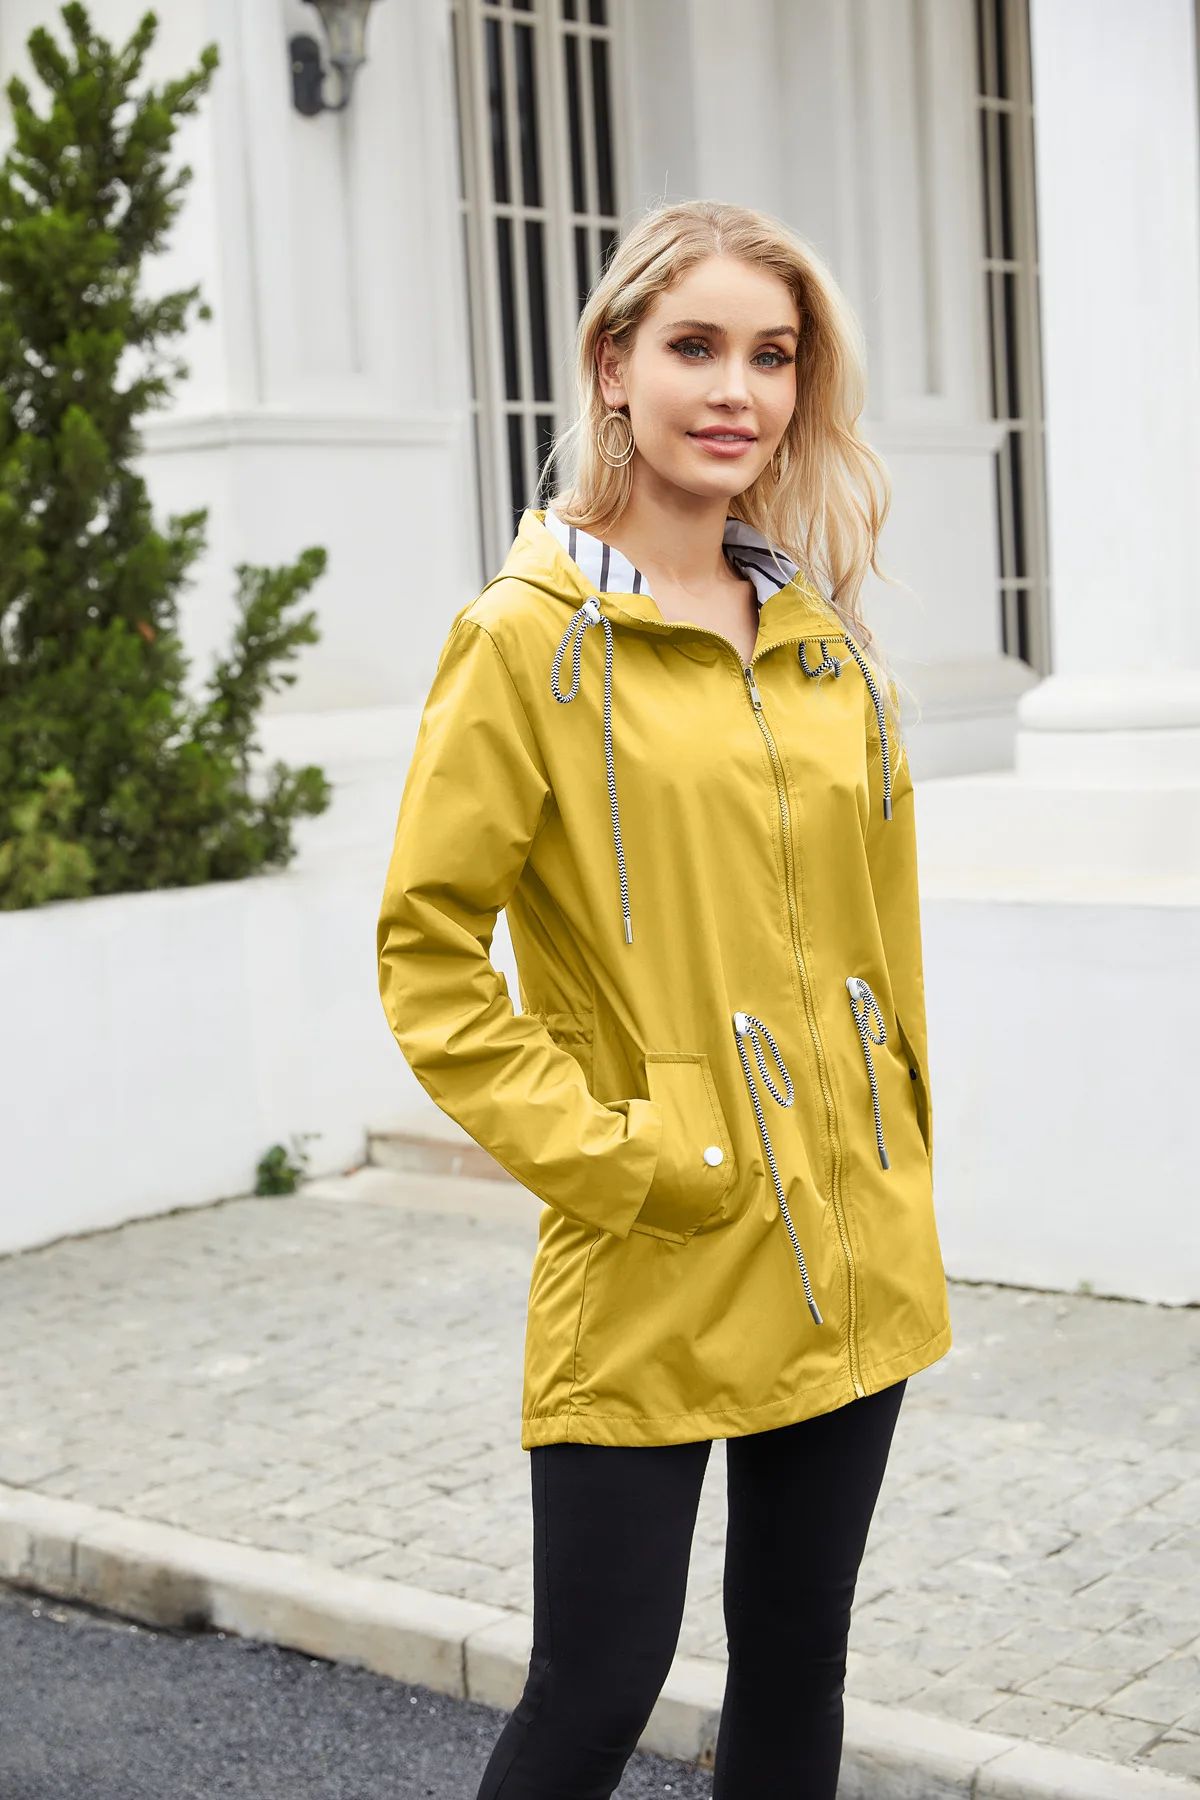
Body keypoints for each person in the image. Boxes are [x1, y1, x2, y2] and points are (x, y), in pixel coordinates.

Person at [376, 198, 953, 1799]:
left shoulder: (822, 639)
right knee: (596, 1696)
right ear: (613, 362)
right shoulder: (525, 643)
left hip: (850, 1235)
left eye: (774, 356)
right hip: (659, 1232)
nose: (738, 392)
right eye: (696, 346)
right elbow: (428, 953)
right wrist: (626, 1154)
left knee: (798, 1671)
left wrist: (898, 1142)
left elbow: (880, 938)